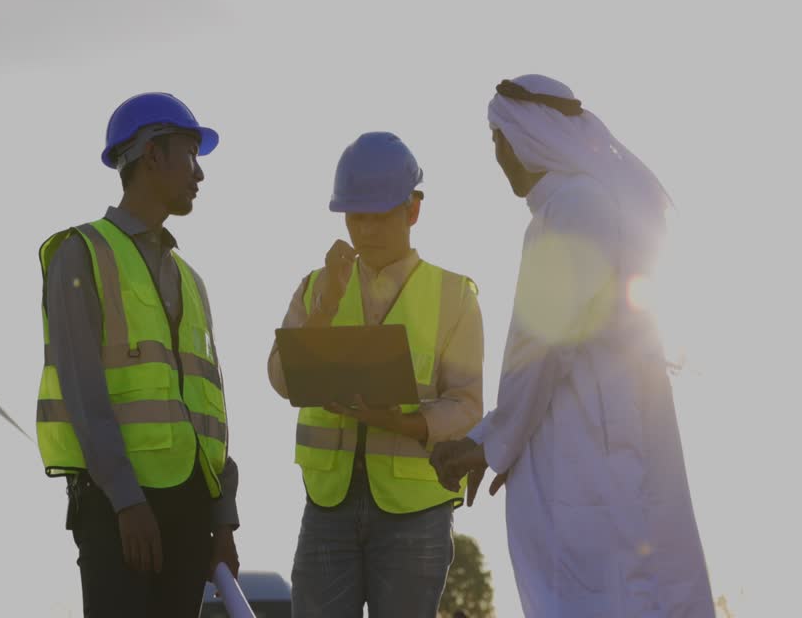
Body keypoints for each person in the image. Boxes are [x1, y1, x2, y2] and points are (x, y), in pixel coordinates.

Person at [430, 75, 713, 617]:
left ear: (528, 136)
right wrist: (488, 435)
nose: (498, 158)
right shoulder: (562, 211)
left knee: (619, 595)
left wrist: (489, 445)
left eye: (500, 140)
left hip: (598, 451)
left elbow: (542, 350)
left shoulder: (580, 208)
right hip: (580, 445)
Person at [35, 92, 240, 617]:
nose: (200, 175)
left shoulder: (190, 280)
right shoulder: (80, 254)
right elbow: (85, 392)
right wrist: (127, 500)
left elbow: (210, 413)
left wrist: (223, 519)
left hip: (191, 512)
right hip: (118, 509)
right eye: (191, 155)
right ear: (153, 155)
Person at [266, 131, 484, 617]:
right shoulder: (315, 287)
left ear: (413, 210)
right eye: (355, 215)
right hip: (327, 506)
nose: (365, 229)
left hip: (415, 512)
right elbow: (282, 379)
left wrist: (402, 423)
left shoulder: (455, 297)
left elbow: (468, 405)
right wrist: (326, 303)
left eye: (379, 214)